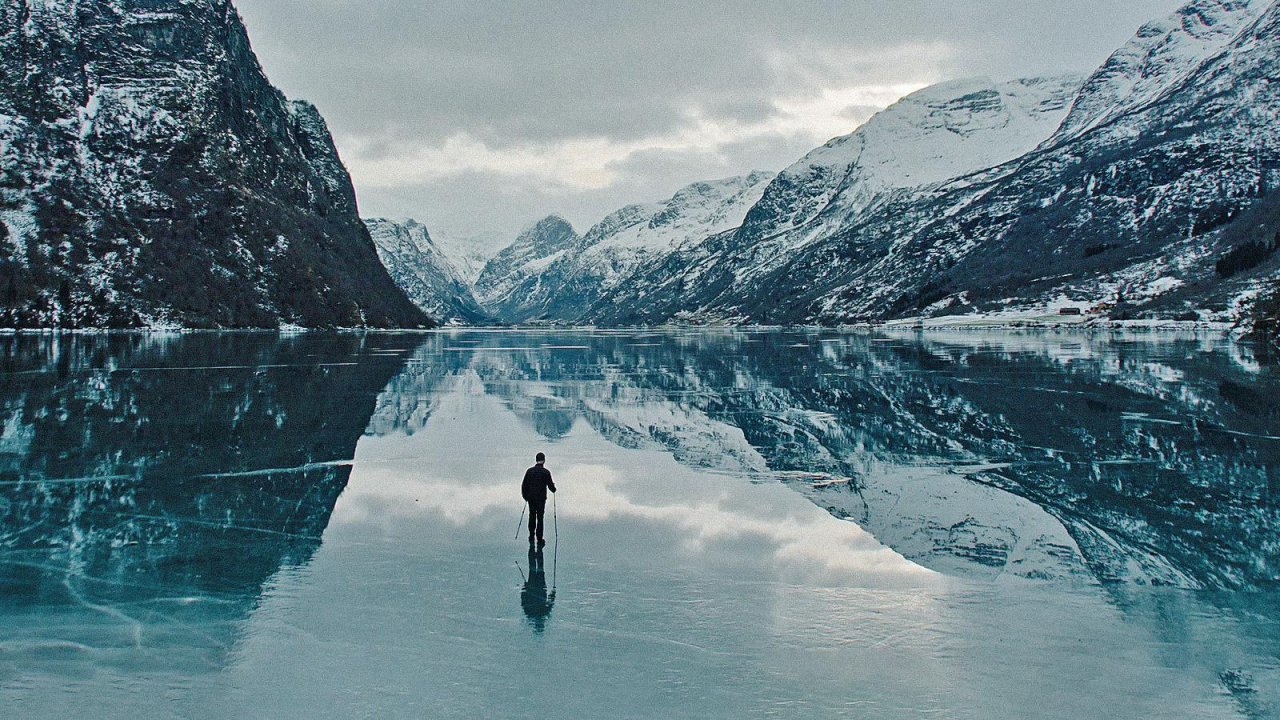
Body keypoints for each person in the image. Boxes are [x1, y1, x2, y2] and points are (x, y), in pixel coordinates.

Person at [521, 452, 556, 545]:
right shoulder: (546, 472)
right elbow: (551, 487)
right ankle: (539, 538)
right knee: (540, 517)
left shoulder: (529, 471)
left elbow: (524, 485)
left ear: (536, 460)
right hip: (541, 499)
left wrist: (525, 497)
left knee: (532, 515)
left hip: (531, 498)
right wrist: (554, 489)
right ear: (544, 460)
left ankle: (531, 535)